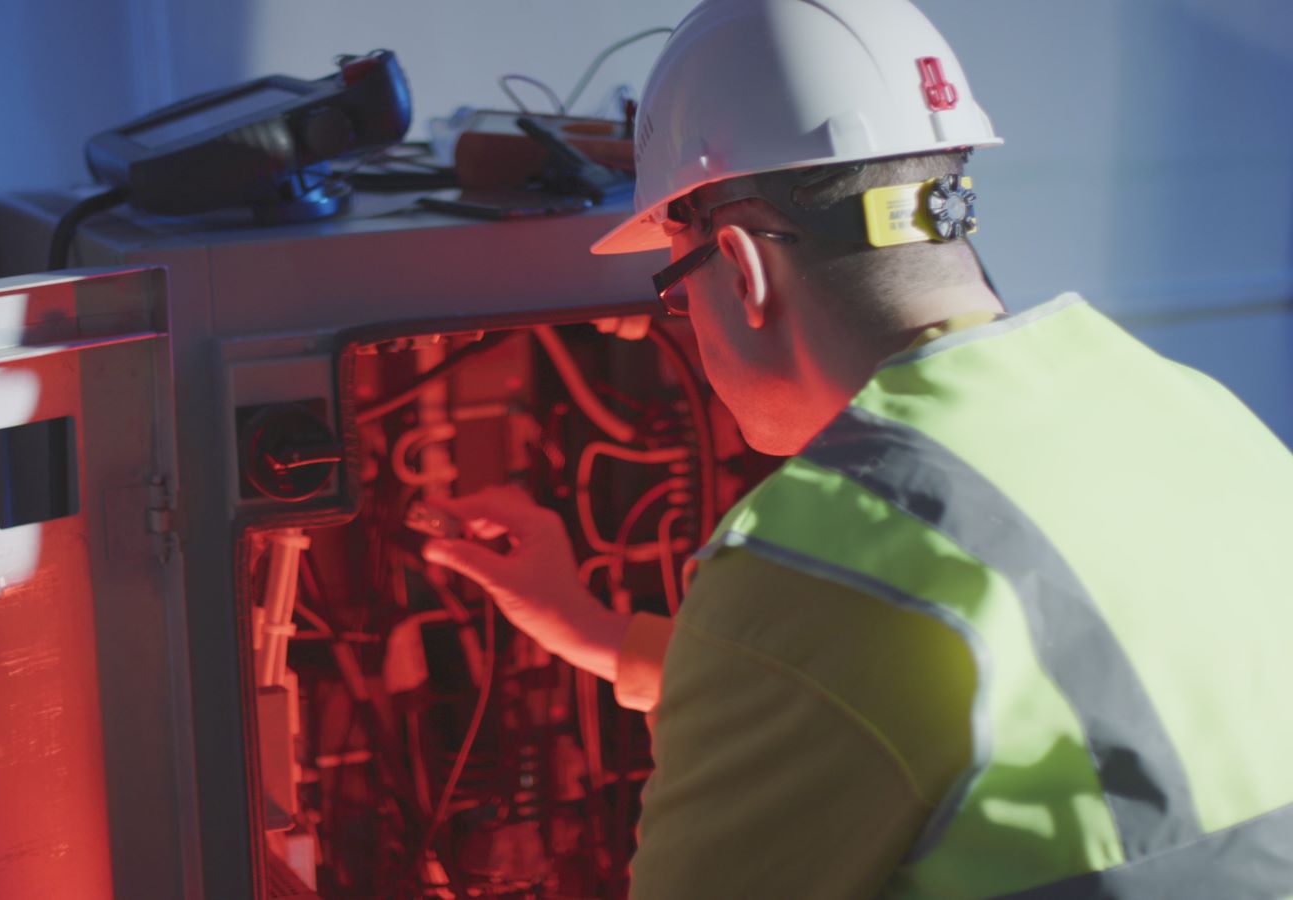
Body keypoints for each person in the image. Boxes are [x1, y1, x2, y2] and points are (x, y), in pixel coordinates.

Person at [422, 0, 1293, 896]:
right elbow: (1007, 693)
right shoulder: (1183, 408)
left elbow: (858, 644)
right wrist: (600, 635)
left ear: (743, 267)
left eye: (677, 297)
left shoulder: (817, 553)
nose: (681, 331)